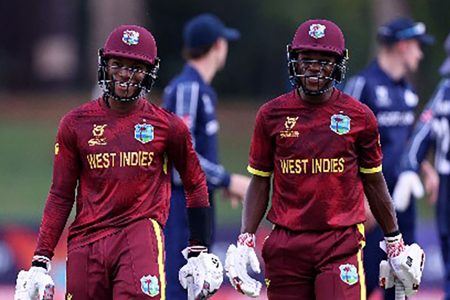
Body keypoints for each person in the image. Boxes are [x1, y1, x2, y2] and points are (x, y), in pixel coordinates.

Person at [13, 24, 223, 300]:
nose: (125, 74)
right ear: (104, 64)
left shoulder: (167, 126)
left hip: (139, 237)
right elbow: (61, 195)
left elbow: (196, 183)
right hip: (86, 244)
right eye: (118, 64)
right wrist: (41, 258)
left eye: (135, 67)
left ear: (150, 72)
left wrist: (199, 249)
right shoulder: (75, 124)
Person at [223, 19, 425, 300]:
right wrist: (246, 237)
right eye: (307, 59)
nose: (315, 67)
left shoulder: (359, 116)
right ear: (294, 60)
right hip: (286, 244)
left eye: (324, 60)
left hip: (339, 243)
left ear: (339, 64)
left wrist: (394, 240)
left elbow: (373, 180)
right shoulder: (271, 115)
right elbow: (260, 179)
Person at [344, 17, 437, 298]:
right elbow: (341, 144)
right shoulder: (363, 86)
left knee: (402, 286)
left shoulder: (407, 91)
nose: (420, 54)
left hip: (402, 207)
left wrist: (426, 170)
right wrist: (358, 197)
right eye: (417, 47)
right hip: (371, 209)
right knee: (361, 282)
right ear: (403, 45)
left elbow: (407, 141)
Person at [162, 13, 250, 299]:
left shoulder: (203, 90)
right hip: (182, 205)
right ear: (217, 45)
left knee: (200, 284)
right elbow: (180, 157)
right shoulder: (189, 88)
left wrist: (214, 182)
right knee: (182, 284)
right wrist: (227, 180)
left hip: (197, 204)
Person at [393, 32, 450, 300]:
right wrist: (411, 168)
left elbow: (420, 135)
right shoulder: (443, 93)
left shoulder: (443, 93)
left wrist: (410, 166)